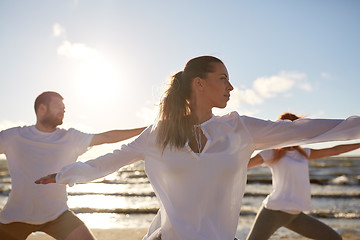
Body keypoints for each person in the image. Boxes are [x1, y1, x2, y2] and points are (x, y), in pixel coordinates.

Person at [35, 56, 360, 240]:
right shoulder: (159, 133)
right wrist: (65, 174)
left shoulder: (241, 128)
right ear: (199, 84)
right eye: (223, 78)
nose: (231, 86)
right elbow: (110, 161)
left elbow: (313, 130)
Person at [0, 91, 146, 240]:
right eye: (58, 106)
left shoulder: (70, 137)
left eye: (64, 107)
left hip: (57, 216)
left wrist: (146, 131)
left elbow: (105, 137)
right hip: (15, 217)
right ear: (42, 108)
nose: (63, 110)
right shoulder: (14, 136)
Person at [246, 113, 360, 240]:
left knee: (334, 238)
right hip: (274, 211)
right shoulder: (271, 153)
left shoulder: (303, 153)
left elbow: (334, 150)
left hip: (295, 215)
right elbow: (245, 165)